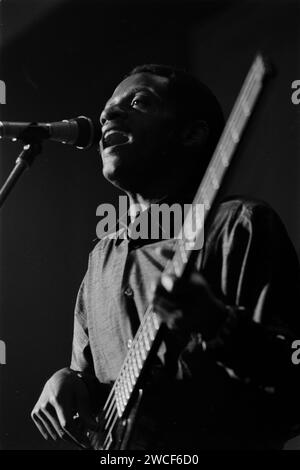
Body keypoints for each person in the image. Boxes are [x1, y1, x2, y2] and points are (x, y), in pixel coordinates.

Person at [31, 64, 300, 450]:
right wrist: (67, 381)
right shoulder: (100, 260)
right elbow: (93, 393)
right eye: (107, 107)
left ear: (191, 134)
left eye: (139, 101)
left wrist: (217, 325)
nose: (108, 114)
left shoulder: (239, 225)